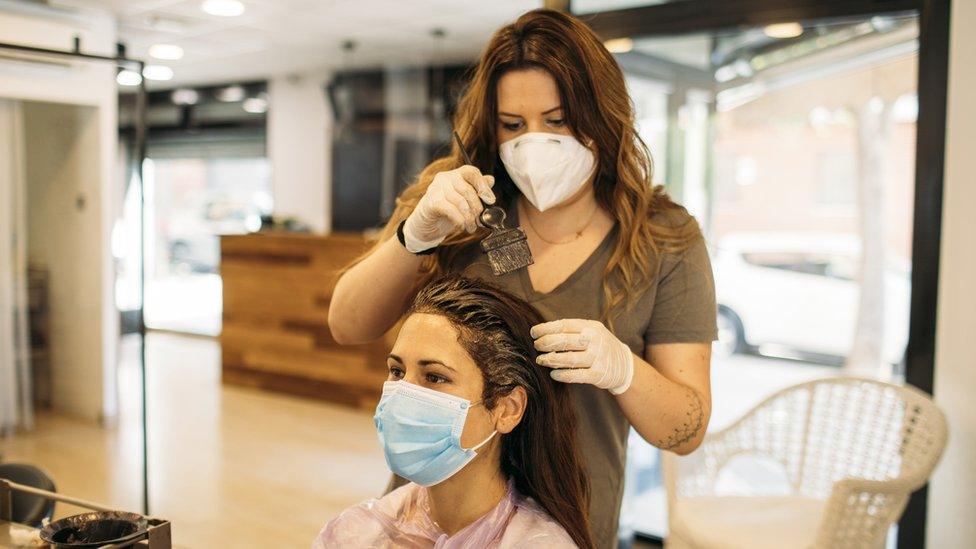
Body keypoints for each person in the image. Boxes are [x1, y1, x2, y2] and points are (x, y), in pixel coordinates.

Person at [329, 8, 717, 547]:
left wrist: (623, 369)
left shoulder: (664, 240)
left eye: (557, 121)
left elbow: (687, 430)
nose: (533, 143)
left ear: (603, 118)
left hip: (568, 524)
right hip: (430, 525)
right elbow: (347, 324)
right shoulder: (457, 204)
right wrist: (414, 236)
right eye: (513, 125)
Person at [314, 274, 593, 548]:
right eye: (397, 371)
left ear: (507, 409)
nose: (403, 393)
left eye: (434, 377)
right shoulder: (359, 531)